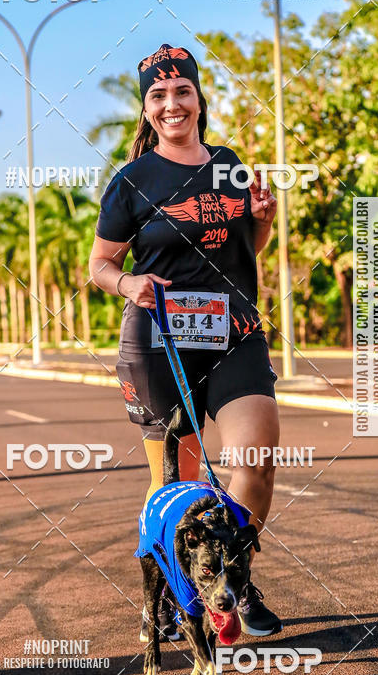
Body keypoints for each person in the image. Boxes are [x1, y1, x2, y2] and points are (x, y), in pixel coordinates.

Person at [89, 43, 282, 641]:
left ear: (199, 100)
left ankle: (234, 578)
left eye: (183, 92)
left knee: (256, 461)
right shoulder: (131, 181)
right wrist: (131, 282)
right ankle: (179, 591)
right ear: (146, 110)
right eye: (158, 95)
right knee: (177, 486)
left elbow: (247, 249)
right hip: (160, 343)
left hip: (235, 333)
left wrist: (265, 219)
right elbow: (99, 265)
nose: (172, 104)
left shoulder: (229, 164)